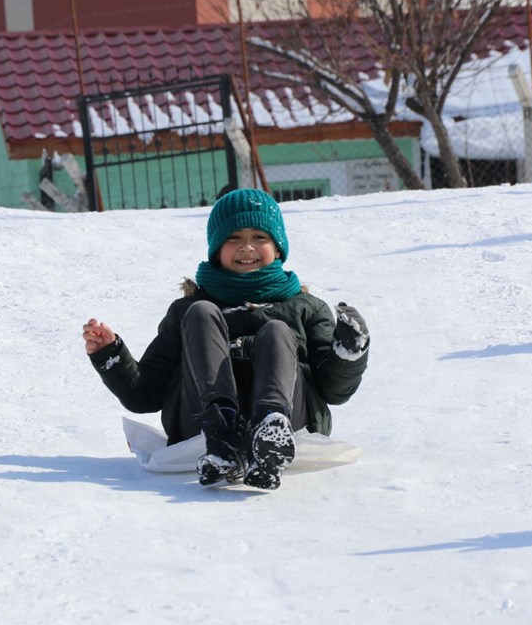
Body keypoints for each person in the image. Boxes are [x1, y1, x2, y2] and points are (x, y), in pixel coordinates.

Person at [82, 188, 370, 490]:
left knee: (276, 331)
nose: (247, 247)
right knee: (202, 312)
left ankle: (271, 429)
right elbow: (145, 395)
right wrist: (110, 355)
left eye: (259, 237)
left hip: (292, 421)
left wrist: (348, 352)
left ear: (278, 247)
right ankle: (222, 428)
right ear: (217, 249)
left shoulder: (306, 308)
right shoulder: (187, 312)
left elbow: (334, 391)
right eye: (233, 238)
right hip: (200, 424)